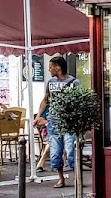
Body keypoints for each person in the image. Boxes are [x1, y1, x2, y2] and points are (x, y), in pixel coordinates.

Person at [34, 55, 79, 187]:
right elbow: (45, 100)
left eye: (50, 67)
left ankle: (77, 177)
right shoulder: (51, 83)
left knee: (71, 150)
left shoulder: (73, 82)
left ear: (58, 67)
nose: (49, 70)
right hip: (53, 122)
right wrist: (39, 116)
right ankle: (61, 178)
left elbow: (78, 101)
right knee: (55, 152)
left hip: (69, 122)